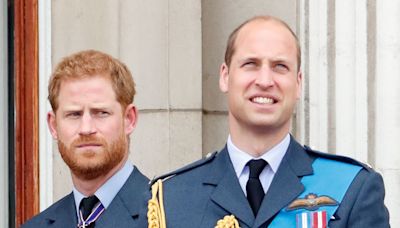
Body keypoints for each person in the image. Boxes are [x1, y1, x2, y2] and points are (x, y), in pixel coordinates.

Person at [146, 16, 390, 227]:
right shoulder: (172, 198)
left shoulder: (352, 188)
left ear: (298, 83)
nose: (265, 80)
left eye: (280, 66)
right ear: (225, 76)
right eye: (250, 64)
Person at [22, 50, 149, 227]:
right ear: (53, 125)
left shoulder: (170, 216)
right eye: (74, 114)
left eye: (101, 113)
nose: (86, 129)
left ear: (129, 119)